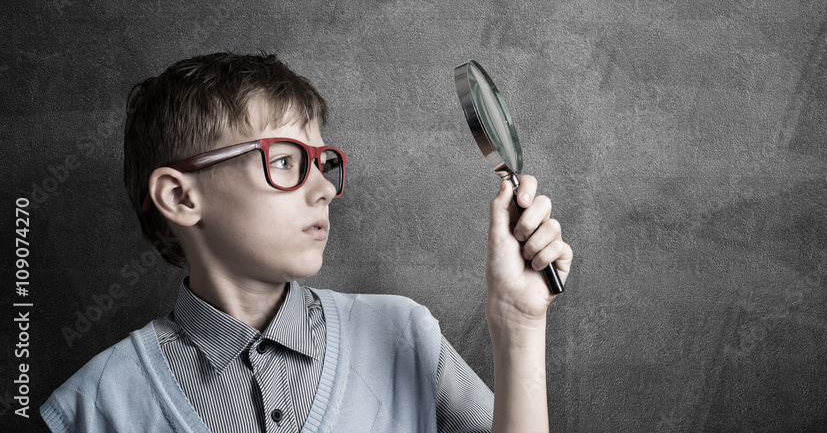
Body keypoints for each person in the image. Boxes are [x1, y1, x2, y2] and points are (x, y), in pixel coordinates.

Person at [41, 52, 573, 433]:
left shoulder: (404, 335)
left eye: (323, 164)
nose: (324, 189)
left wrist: (519, 325)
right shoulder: (96, 405)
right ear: (180, 198)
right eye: (285, 161)